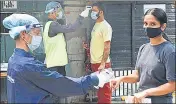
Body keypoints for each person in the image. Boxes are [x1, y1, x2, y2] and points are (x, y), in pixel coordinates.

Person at [3, 14, 115, 103]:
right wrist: (94, 79)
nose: (39, 36)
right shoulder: (27, 65)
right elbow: (62, 85)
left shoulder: (13, 60)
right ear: (23, 35)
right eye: (36, 32)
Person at [111, 8, 176, 103]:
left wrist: (146, 92)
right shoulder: (143, 48)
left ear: (163, 26)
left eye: (153, 24)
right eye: (145, 23)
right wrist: (121, 79)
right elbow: (137, 76)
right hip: (142, 100)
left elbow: (172, 85)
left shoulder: (169, 51)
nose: (148, 27)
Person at [43, 1, 90, 76]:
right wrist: (81, 17)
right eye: (58, 11)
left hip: (54, 63)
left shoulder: (48, 25)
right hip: (55, 65)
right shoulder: (53, 25)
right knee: (59, 86)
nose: (60, 13)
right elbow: (71, 28)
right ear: (52, 12)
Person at [89, 2, 113, 104]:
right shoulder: (96, 25)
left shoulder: (105, 26)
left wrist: (103, 63)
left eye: (94, 11)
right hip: (95, 62)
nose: (92, 13)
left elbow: (107, 46)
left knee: (105, 91)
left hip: (101, 64)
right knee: (100, 90)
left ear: (101, 12)